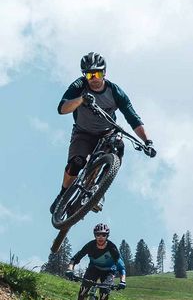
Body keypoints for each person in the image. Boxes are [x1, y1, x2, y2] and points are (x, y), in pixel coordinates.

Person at [50, 51, 156, 213]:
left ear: (104, 73)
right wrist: (81, 99)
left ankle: (98, 191)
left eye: (97, 74)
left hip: (107, 132)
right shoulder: (79, 86)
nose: (94, 79)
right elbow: (62, 108)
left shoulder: (115, 92)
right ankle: (63, 195)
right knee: (76, 163)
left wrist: (147, 142)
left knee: (118, 145)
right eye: (89, 75)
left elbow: (133, 118)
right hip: (83, 133)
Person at [66, 223, 126, 300]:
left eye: (103, 235)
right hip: (94, 268)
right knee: (84, 287)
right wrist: (70, 270)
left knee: (105, 291)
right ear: (95, 236)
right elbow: (75, 259)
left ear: (107, 236)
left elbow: (121, 268)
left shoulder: (112, 248)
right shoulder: (90, 245)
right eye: (98, 234)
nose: (100, 237)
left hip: (108, 271)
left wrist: (123, 281)